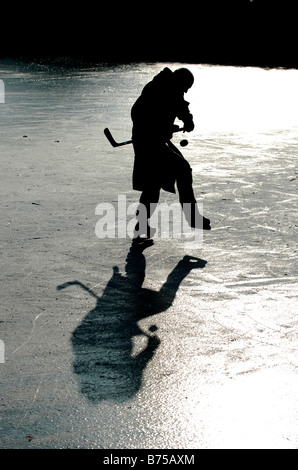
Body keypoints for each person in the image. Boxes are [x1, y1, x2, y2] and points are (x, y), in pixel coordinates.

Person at [131, 67, 211, 243]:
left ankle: (141, 225)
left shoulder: (164, 85)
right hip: (150, 143)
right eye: (186, 87)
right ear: (181, 82)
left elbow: (176, 106)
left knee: (153, 183)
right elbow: (139, 114)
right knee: (182, 169)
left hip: (151, 141)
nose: (185, 91)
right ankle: (192, 217)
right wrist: (177, 124)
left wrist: (174, 124)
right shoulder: (164, 87)